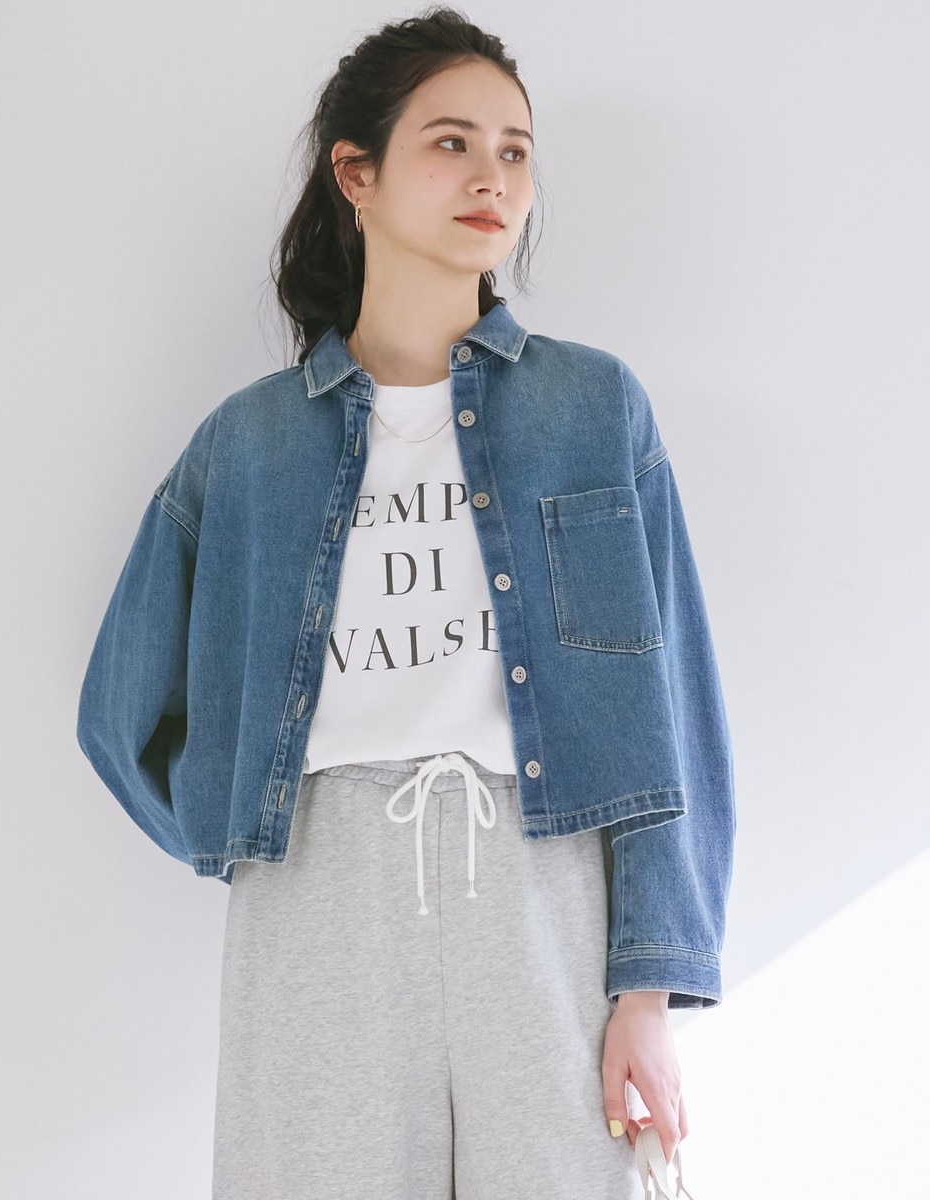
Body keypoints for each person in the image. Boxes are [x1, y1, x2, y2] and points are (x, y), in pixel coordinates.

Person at [76, 7, 735, 1198]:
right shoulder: (248, 447)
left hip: (542, 891)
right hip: (319, 901)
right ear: (356, 173)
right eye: (450, 142)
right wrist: (247, 830)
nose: (493, 176)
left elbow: (669, 712)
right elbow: (120, 712)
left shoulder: (592, 411)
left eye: (514, 150)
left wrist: (648, 985)